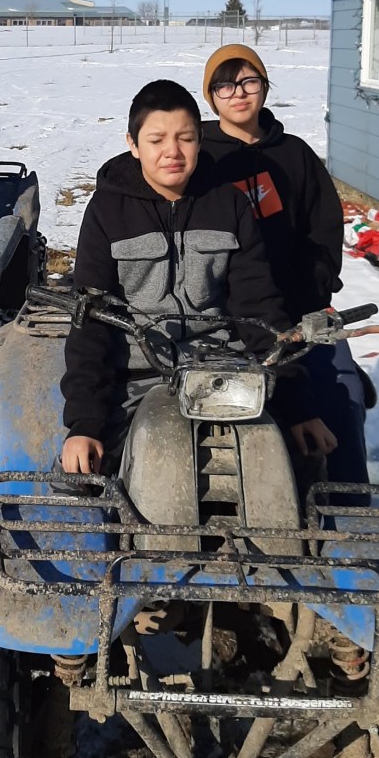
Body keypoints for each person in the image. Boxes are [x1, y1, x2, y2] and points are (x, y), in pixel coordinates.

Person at [60, 78, 337, 477]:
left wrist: (297, 407)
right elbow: (91, 317)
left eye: (185, 138)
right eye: (156, 140)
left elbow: (258, 305)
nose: (172, 152)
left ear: (199, 140)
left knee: (295, 469)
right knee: (87, 483)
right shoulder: (107, 210)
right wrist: (83, 424)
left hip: (225, 373)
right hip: (135, 377)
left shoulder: (228, 203)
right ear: (133, 144)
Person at [199, 44, 371, 487]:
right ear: (210, 95)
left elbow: (324, 229)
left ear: (264, 86)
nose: (238, 93)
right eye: (224, 85)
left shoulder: (295, 156)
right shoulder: (200, 157)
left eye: (248, 81)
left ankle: (346, 506)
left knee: (341, 395)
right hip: (228, 313)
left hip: (298, 312)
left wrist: (313, 294)